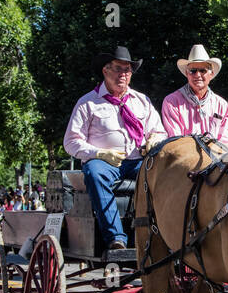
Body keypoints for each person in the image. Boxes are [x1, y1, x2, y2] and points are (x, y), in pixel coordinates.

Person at [64, 45, 167, 251]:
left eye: (127, 70)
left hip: (138, 160)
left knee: (165, 174)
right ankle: (116, 237)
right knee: (94, 173)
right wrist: (99, 153)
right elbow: (71, 141)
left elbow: (159, 131)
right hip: (104, 163)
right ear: (105, 70)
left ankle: (161, 233)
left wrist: (154, 140)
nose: (124, 75)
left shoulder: (142, 101)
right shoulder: (88, 103)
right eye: (118, 69)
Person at [161, 44, 228, 145]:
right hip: (184, 158)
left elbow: (226, 141)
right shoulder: (172, 102)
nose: (197, 75)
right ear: (187, 73)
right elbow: (176, 140)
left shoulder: (221, 105)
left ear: (211, 73)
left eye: (202, 70)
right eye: (193, 71)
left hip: (216, 158)